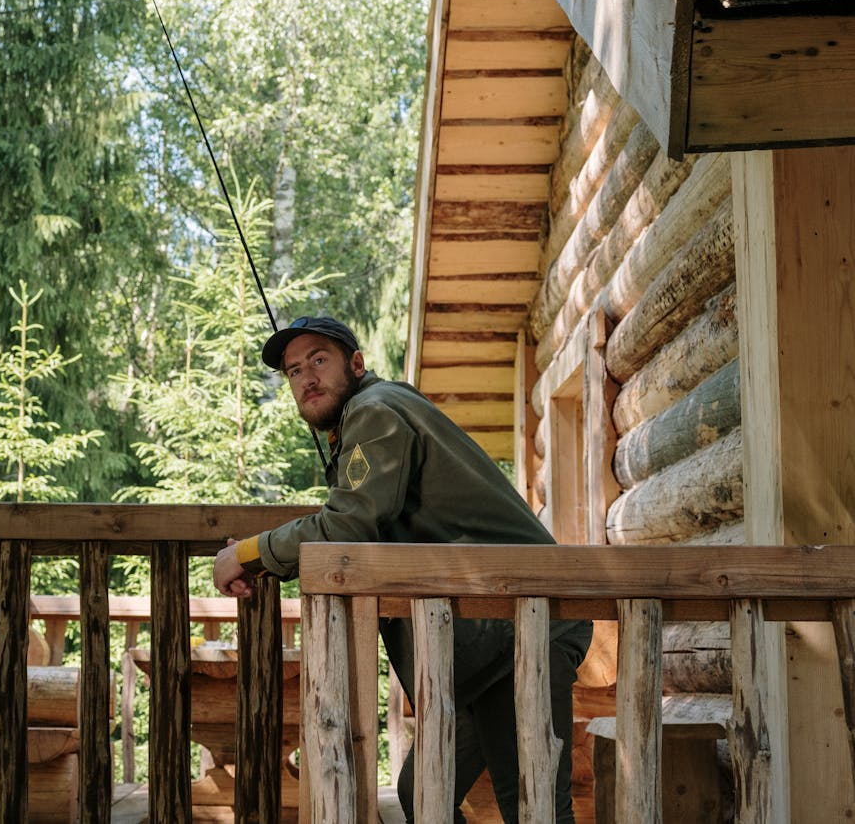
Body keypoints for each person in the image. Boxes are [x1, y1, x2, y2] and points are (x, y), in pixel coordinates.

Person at [213, 315, 592, 824]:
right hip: (489, 644)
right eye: (293, 371)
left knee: (535, 808)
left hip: (522, 632)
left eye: (318, 360)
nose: (306, 377)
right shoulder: (378, 411)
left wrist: (249, 553)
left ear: (356, 364)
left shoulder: (376, 411)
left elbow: (348, 526)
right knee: (421, 794)